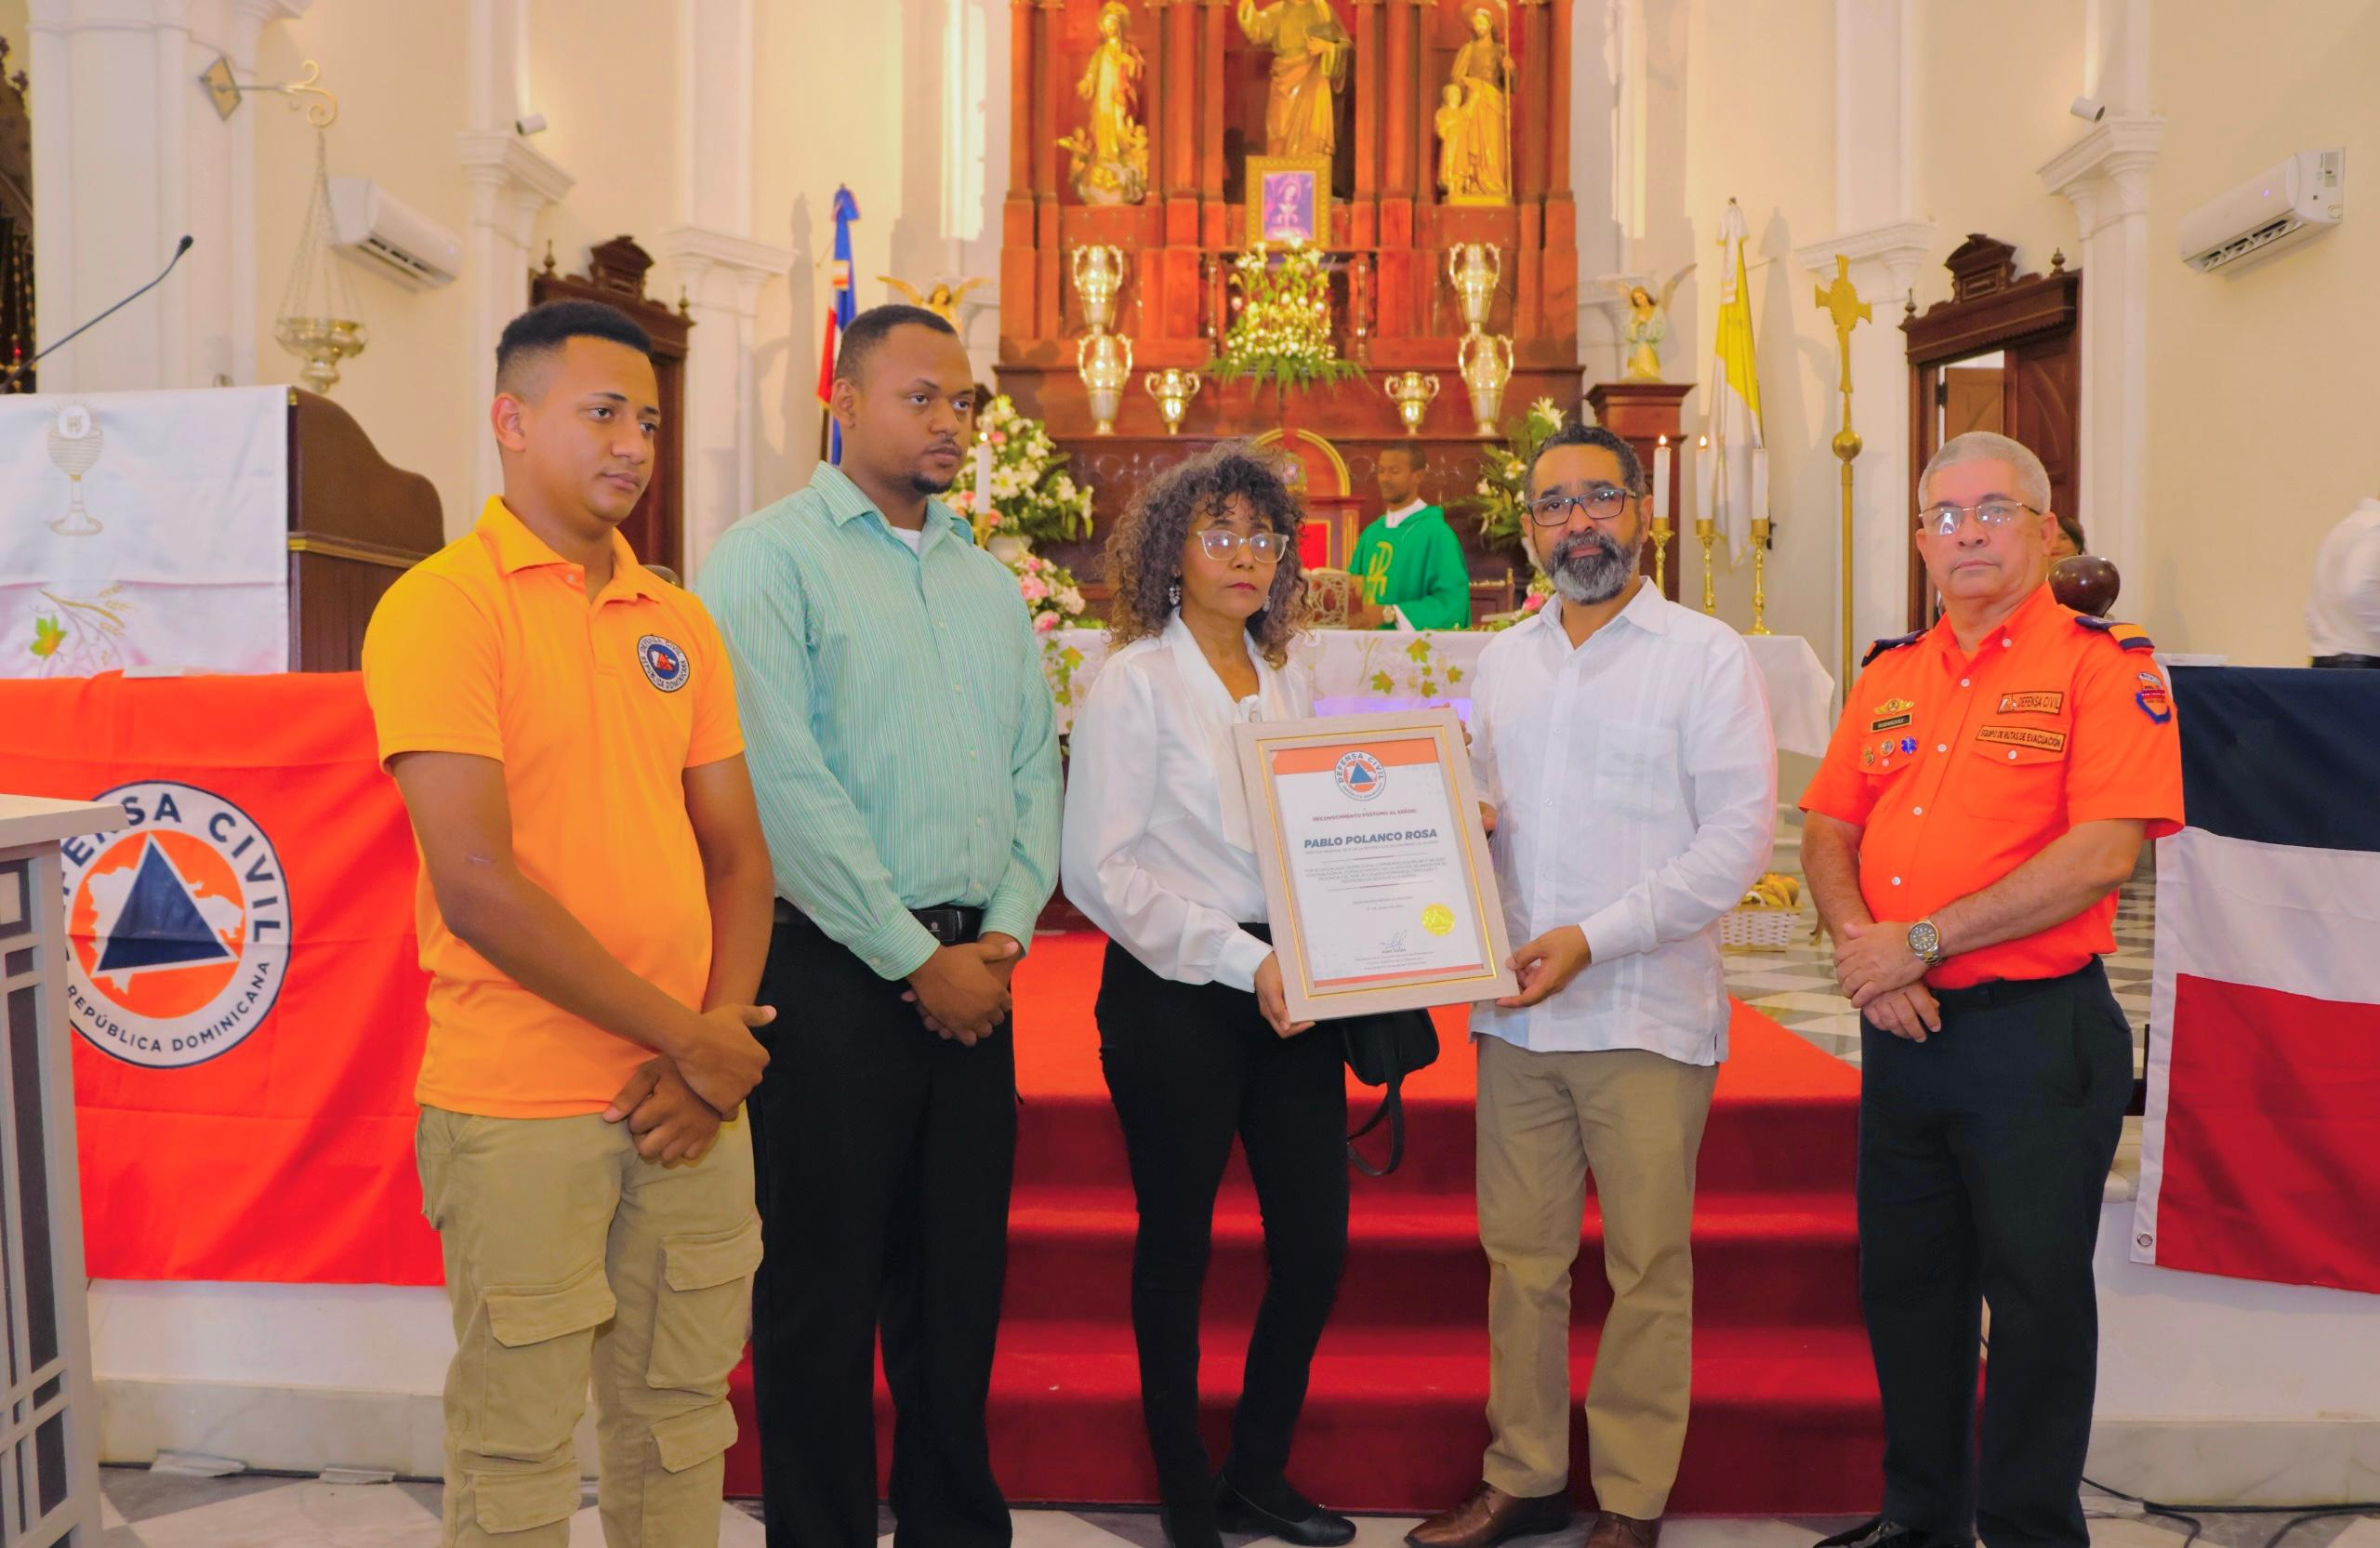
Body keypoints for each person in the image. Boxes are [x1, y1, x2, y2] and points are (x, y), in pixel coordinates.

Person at [362, 298, 775, 1548]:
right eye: (603, 413)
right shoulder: (445, 606)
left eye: (646, 419)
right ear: (511, 419)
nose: (634, 444)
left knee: (677, 1422)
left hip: (687, 1103)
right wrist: (696, 1044)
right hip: (523, 1103)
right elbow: (480, 886)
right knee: (519, 1449)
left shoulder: (677, 618)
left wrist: (705, 1057)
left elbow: (742, 859)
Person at [696, 303, 1062, 1548]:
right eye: (923, 397)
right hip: (837, 972)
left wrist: (1002, 936)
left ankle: (958, 1525)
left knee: (958, 1288)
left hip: (978, 969)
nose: (952, 422)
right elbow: (781, 789)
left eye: (965, 403)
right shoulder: (766, 558)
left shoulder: (983, 579)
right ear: (843, 402)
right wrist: (917, 959)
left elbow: (1033, 770)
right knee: (819, 1294)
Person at [1798, 430, 2183, 1548]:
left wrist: (1915, 938)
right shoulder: (1888, 673)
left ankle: (2027, 1531)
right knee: (1906, 1295)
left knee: (2035, 1304)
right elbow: (1828, 827)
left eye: (1993, 511)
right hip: (1903, 1033)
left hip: (2036, 1037)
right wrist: (1863, 949)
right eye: (1945, 517)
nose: (1967, 533)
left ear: (2046, 531)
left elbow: (2102, 853)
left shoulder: (2103, 669)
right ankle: (1920, 1521)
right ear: (1920, 542)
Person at [1408, 425, 1776, 1548]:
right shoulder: (1503, 661)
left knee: (1645, 1265)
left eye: (1600, 499)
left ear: (1641, 513)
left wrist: (1590, 937)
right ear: (1525, 532)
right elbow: (1479, 817)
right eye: (1554, 506)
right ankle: (1522, 1474)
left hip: (1643, 1013)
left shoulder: (1705, 656)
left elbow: (1738, 844)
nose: (1579, 523)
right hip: (1515, 1018)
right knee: (1520, 1261)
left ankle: (1628, 1499)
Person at [1061, 443, 1356, 1548]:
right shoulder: (1134, 681)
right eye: (1219, 533)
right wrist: (1247, 962)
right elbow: (1098, 870)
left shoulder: (1291, 680)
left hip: (1294, 985)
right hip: (1175, 994)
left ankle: (1257, 1473)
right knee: (1176, 1245)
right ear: (1170, 553)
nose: (1246, 555)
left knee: (1315, 1247)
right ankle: (1186, 1491)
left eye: (1264, 536)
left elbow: (1323, 830)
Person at [1350, 443, 1471, 630]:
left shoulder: (1437, 534)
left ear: (1418, 476)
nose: (1385, 478)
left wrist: (1391, 613)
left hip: (1414, 653)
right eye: (1381, 471)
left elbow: (1451, 602)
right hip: (1367, 649)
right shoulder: (1371, 533)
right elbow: (1353, 591)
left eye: (1394, 471)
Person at [2307, 492, 2380, 666]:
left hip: (2325, 660)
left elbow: (2313, 606)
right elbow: (2358, 591)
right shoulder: (2375, 529)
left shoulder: (2346, 527)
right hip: (2364, 665)